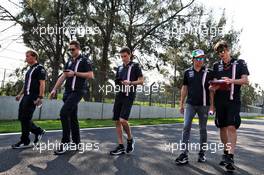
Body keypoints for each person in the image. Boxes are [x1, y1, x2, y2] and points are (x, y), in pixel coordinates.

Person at [210, 40, 249, 172]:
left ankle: (231, 157)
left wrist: (231, 81)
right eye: (219, 53)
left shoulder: (240, 63)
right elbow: (213, 85)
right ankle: (226, 152)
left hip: (233, 101)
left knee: (231, 127)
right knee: (222, 128)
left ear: (228, 50)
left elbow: (245, 80)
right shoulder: (216, 66)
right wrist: (213, 90)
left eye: (224, 51)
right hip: (220, 102)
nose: (222, 54)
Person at [49, 40, 94, 155]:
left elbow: (90, 75)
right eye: (69, 49)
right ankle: (77, 142)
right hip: (67, 92)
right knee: (73, 117)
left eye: (73, 49)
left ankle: (65, 142)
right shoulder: (69, 61)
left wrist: (75, 73)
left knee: (64, 113)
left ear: (78, 49)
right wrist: (54, 89)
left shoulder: (84, 60)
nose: (71, 51)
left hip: (78, 91)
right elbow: (63, 76)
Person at [175, 49, 214, 165]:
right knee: (186, 127)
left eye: (202, 58)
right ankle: (184, 154)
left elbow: (212, 90)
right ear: (193, 59)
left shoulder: (208, 72)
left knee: (203, 129)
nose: (200, 60)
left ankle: (202, 154)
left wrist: (212, 106)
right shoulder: (187, 72)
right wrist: (181, 104)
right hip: (190, 104)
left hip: (204, 105)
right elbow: (184, 88)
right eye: (198, 58)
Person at [110, 47, 144, 155]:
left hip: (129, 96)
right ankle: (120, 146)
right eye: (121, 56)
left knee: (123, 120)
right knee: (116, 121)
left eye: (125, 56)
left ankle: (130, 139)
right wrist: (120, 82)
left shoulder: (135, 66)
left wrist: (130, 83)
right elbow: (117, 81)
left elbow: (141, 81)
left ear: (130, 55)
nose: (123, 58)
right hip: (119, 95)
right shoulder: (119, 67)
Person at [12, 50, 46, 149]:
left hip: (33, 96)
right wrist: (20, 94)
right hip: (26, 96)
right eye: (26, 56)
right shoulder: (29, 70)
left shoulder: (40, 68)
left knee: (25, 118)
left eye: (28, 56)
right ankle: (38, 131)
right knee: (22, 118)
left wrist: (40, 97)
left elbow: (42, 83)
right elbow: (26, 84)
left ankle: (25, 140)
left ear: (34, 57)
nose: (26, 58)